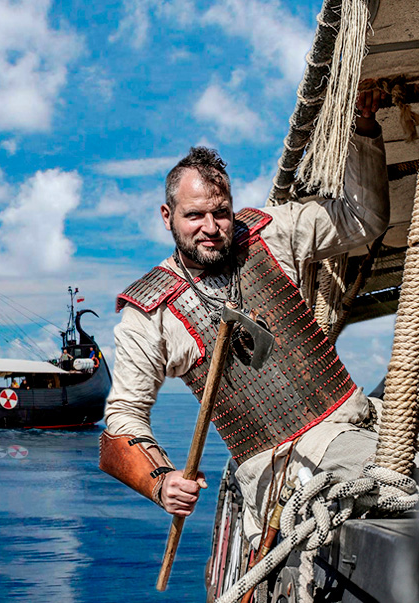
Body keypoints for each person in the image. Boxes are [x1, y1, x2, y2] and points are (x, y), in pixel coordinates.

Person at [100, 89, 389, 546]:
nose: (211, 228)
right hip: (283, 465)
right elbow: (122, 422)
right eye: (195, 215)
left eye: (221, 212)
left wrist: (363, 129)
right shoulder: (149, 313)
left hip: (360, 419)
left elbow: (363, 219)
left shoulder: (269, 234)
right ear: (166, 216)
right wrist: (160, 482)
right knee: (390, 475)